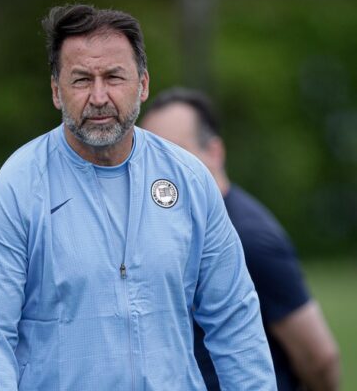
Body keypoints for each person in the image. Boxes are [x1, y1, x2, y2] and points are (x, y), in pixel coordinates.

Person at [0, 4, 276, 390]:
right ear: (56, 90)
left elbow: (234, 320)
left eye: (114, 76)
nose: (99, 96)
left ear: (143, 84)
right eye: (81, 80)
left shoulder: (190, 179)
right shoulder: (16, 189)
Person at [140, 87, 341, 391]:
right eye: (154, 155)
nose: (164, 169)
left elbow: (320, 357)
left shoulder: (249, 238)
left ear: (215, 152)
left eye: (178, 152)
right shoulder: (171, 227)